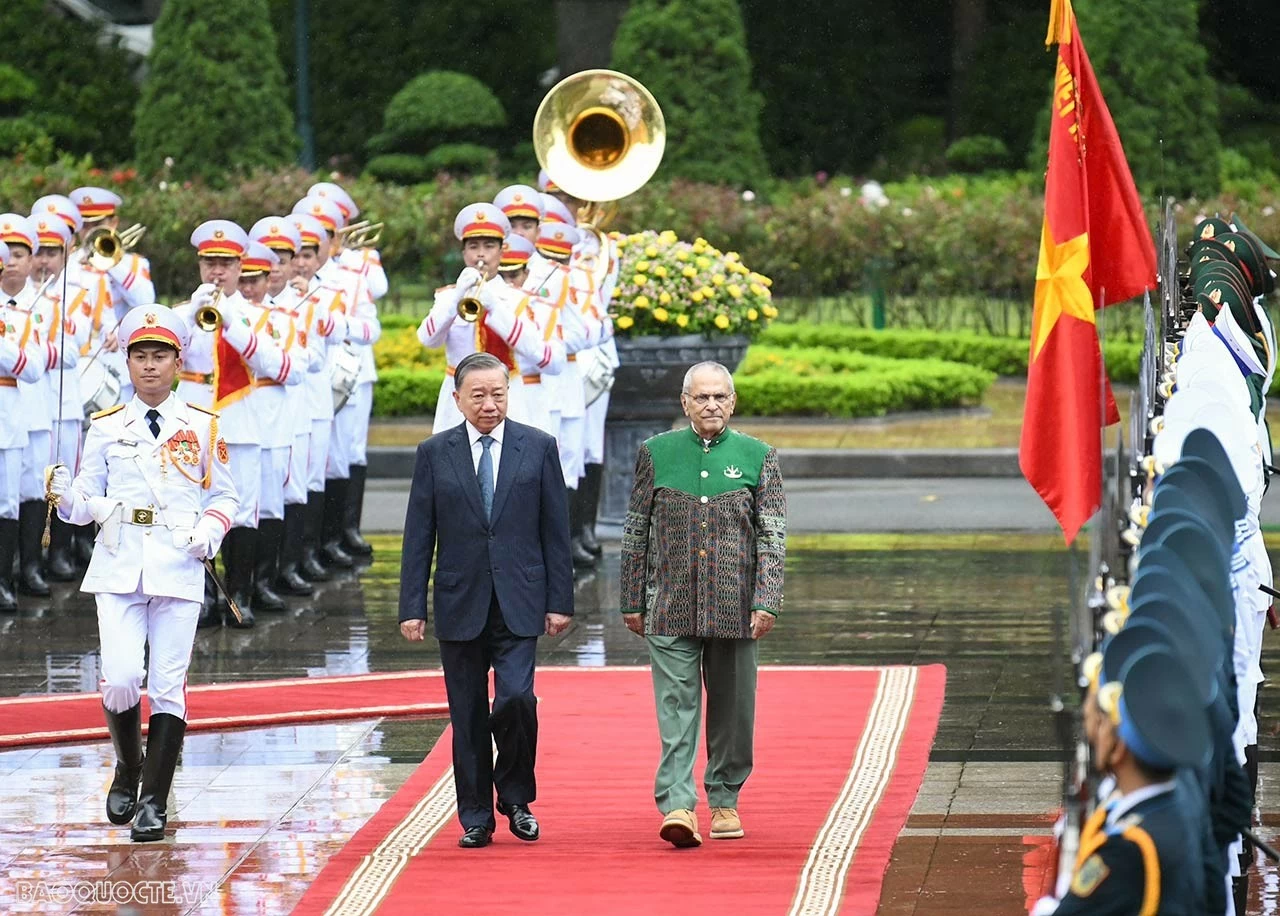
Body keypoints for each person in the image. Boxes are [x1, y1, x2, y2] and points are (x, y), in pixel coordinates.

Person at [46, 304, 237, 842]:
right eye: (140, 356)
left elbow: (224, 494)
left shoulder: (201, 424)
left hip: (178, 562)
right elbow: (85, 500)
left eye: (160, 356)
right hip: (119, 560)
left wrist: (210, 531)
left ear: (178, 362)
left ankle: (154, 799)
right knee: (123, 677)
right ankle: (129, 766)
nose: (150, 366)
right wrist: (65, 497)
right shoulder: (106, 426)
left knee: (168, 685)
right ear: (127, 362)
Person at [398, 351, 574, 848]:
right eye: (478, 395)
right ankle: (475, 815)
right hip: (460, 599)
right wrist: (412, 606)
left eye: (498, 394)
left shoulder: (537, 448)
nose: (489, 404)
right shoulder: (435, 453)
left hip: (520, 597)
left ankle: (515, 797)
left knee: (517, 699)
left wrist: (560, 600)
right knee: (468, 711)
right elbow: (419, 535)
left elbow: (555, 531)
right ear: (457, 399)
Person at [620, 361, 786, 848]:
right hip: (668, 604)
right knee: (676, 707)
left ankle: (725, 798)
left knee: (734, 711)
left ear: (732, 403)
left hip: (736, 608)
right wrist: (632, 599)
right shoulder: (655, 453)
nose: (711, 405)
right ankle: (676, 804)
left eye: (720, 397)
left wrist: (767, 601)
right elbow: (635, 534)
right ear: (684, 402)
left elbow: (773, 538)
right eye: (701, 397)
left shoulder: (759, 456)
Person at [0, 228, 49, 611]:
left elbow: (33, 368)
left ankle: (4, 580)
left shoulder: (18, 319)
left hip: (7, 420)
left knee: (5, 504)